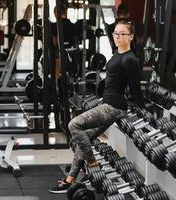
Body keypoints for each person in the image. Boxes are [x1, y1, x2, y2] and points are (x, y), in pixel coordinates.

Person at [49, 19, 145, 194]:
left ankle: (92, 163)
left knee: (73, 125)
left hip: (114, 107)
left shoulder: (130, 59)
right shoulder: (116, 53)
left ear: (131, 37)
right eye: (116, 33)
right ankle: (70, 179)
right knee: (82, 137)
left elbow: (135, 89)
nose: (118, 36)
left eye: (122, 34)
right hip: (107, 103)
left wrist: (142, 113)